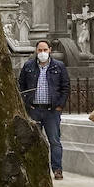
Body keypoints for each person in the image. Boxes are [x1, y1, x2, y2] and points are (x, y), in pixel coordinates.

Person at [17, 39, 70, 179]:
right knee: (33, 141)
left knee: (54, 141)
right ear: (36, 51)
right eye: (40, 50)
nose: (42, 53)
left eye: (45, 50)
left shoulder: (58, 66)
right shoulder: (29, 66)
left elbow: (65, 87)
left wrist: (59, 105)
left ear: (50, 50)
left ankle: (57, 169)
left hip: (52, 110)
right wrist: (27, 103)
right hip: (34, 109)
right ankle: (36, 169)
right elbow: (21, 86)